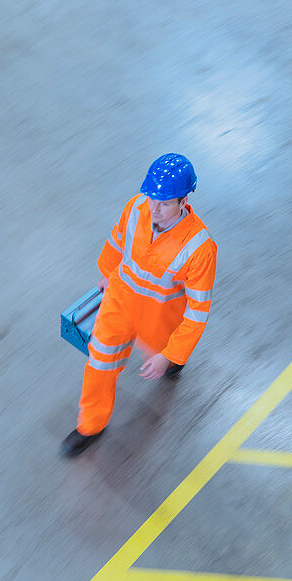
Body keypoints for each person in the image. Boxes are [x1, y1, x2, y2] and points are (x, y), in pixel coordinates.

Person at [62, 153, 217, 457]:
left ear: (184, 201)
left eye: (165, 203)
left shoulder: (200, 248)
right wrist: (108, 273)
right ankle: (91, 424)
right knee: (100, 361)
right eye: (152, 199)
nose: (155, 209)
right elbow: (117, 242)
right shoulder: (136, 208)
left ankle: (174, 361)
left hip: (159, 319)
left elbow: (197, 314)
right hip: (118, 305)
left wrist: (168, 356)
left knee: (163, 355)